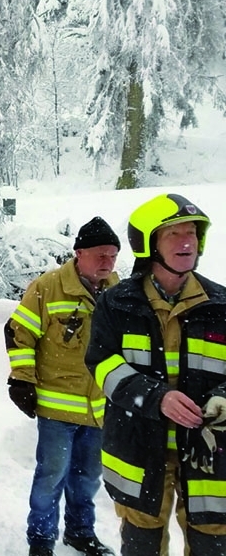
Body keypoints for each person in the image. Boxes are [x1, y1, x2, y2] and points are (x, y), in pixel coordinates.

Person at [86, 194, 226, 555]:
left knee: (213, 541)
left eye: (193, 233)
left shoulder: (222, 304)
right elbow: (102, 363)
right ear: (148, 242)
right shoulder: (117, 302)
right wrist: (156, 397)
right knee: (142, 543)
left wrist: (222, 398)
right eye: (173, 233)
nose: (186, 242)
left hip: (207, 455)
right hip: (139, 450)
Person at [5, 216, 121, 556]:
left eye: (112, 255)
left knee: (87, 479)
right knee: (51, 477)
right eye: (100, 254)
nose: (107, 262)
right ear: (79, 253)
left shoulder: (120, 293)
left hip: (99, 408)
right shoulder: (47, 287)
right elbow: (19, 334)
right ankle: (41, 540)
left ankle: (80, 533)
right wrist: (22, 380)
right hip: (56, 407)